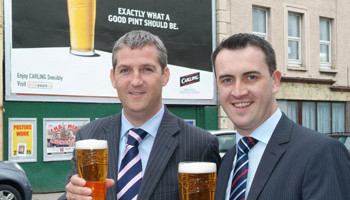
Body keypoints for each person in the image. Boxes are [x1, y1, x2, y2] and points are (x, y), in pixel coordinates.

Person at [58, 30, 221, 200]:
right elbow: (74, 193)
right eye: (125, 70)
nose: (136, 81)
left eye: (147, 69)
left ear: (165, 76)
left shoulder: (200, 144)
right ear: (113, 78)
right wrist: (71, 196)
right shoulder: (88, 136)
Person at [212, 33, 350, 200]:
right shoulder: (227, 162)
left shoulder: (321, 153)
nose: (238, 92)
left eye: (251, 77)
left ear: (275, 81)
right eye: (227, 80)